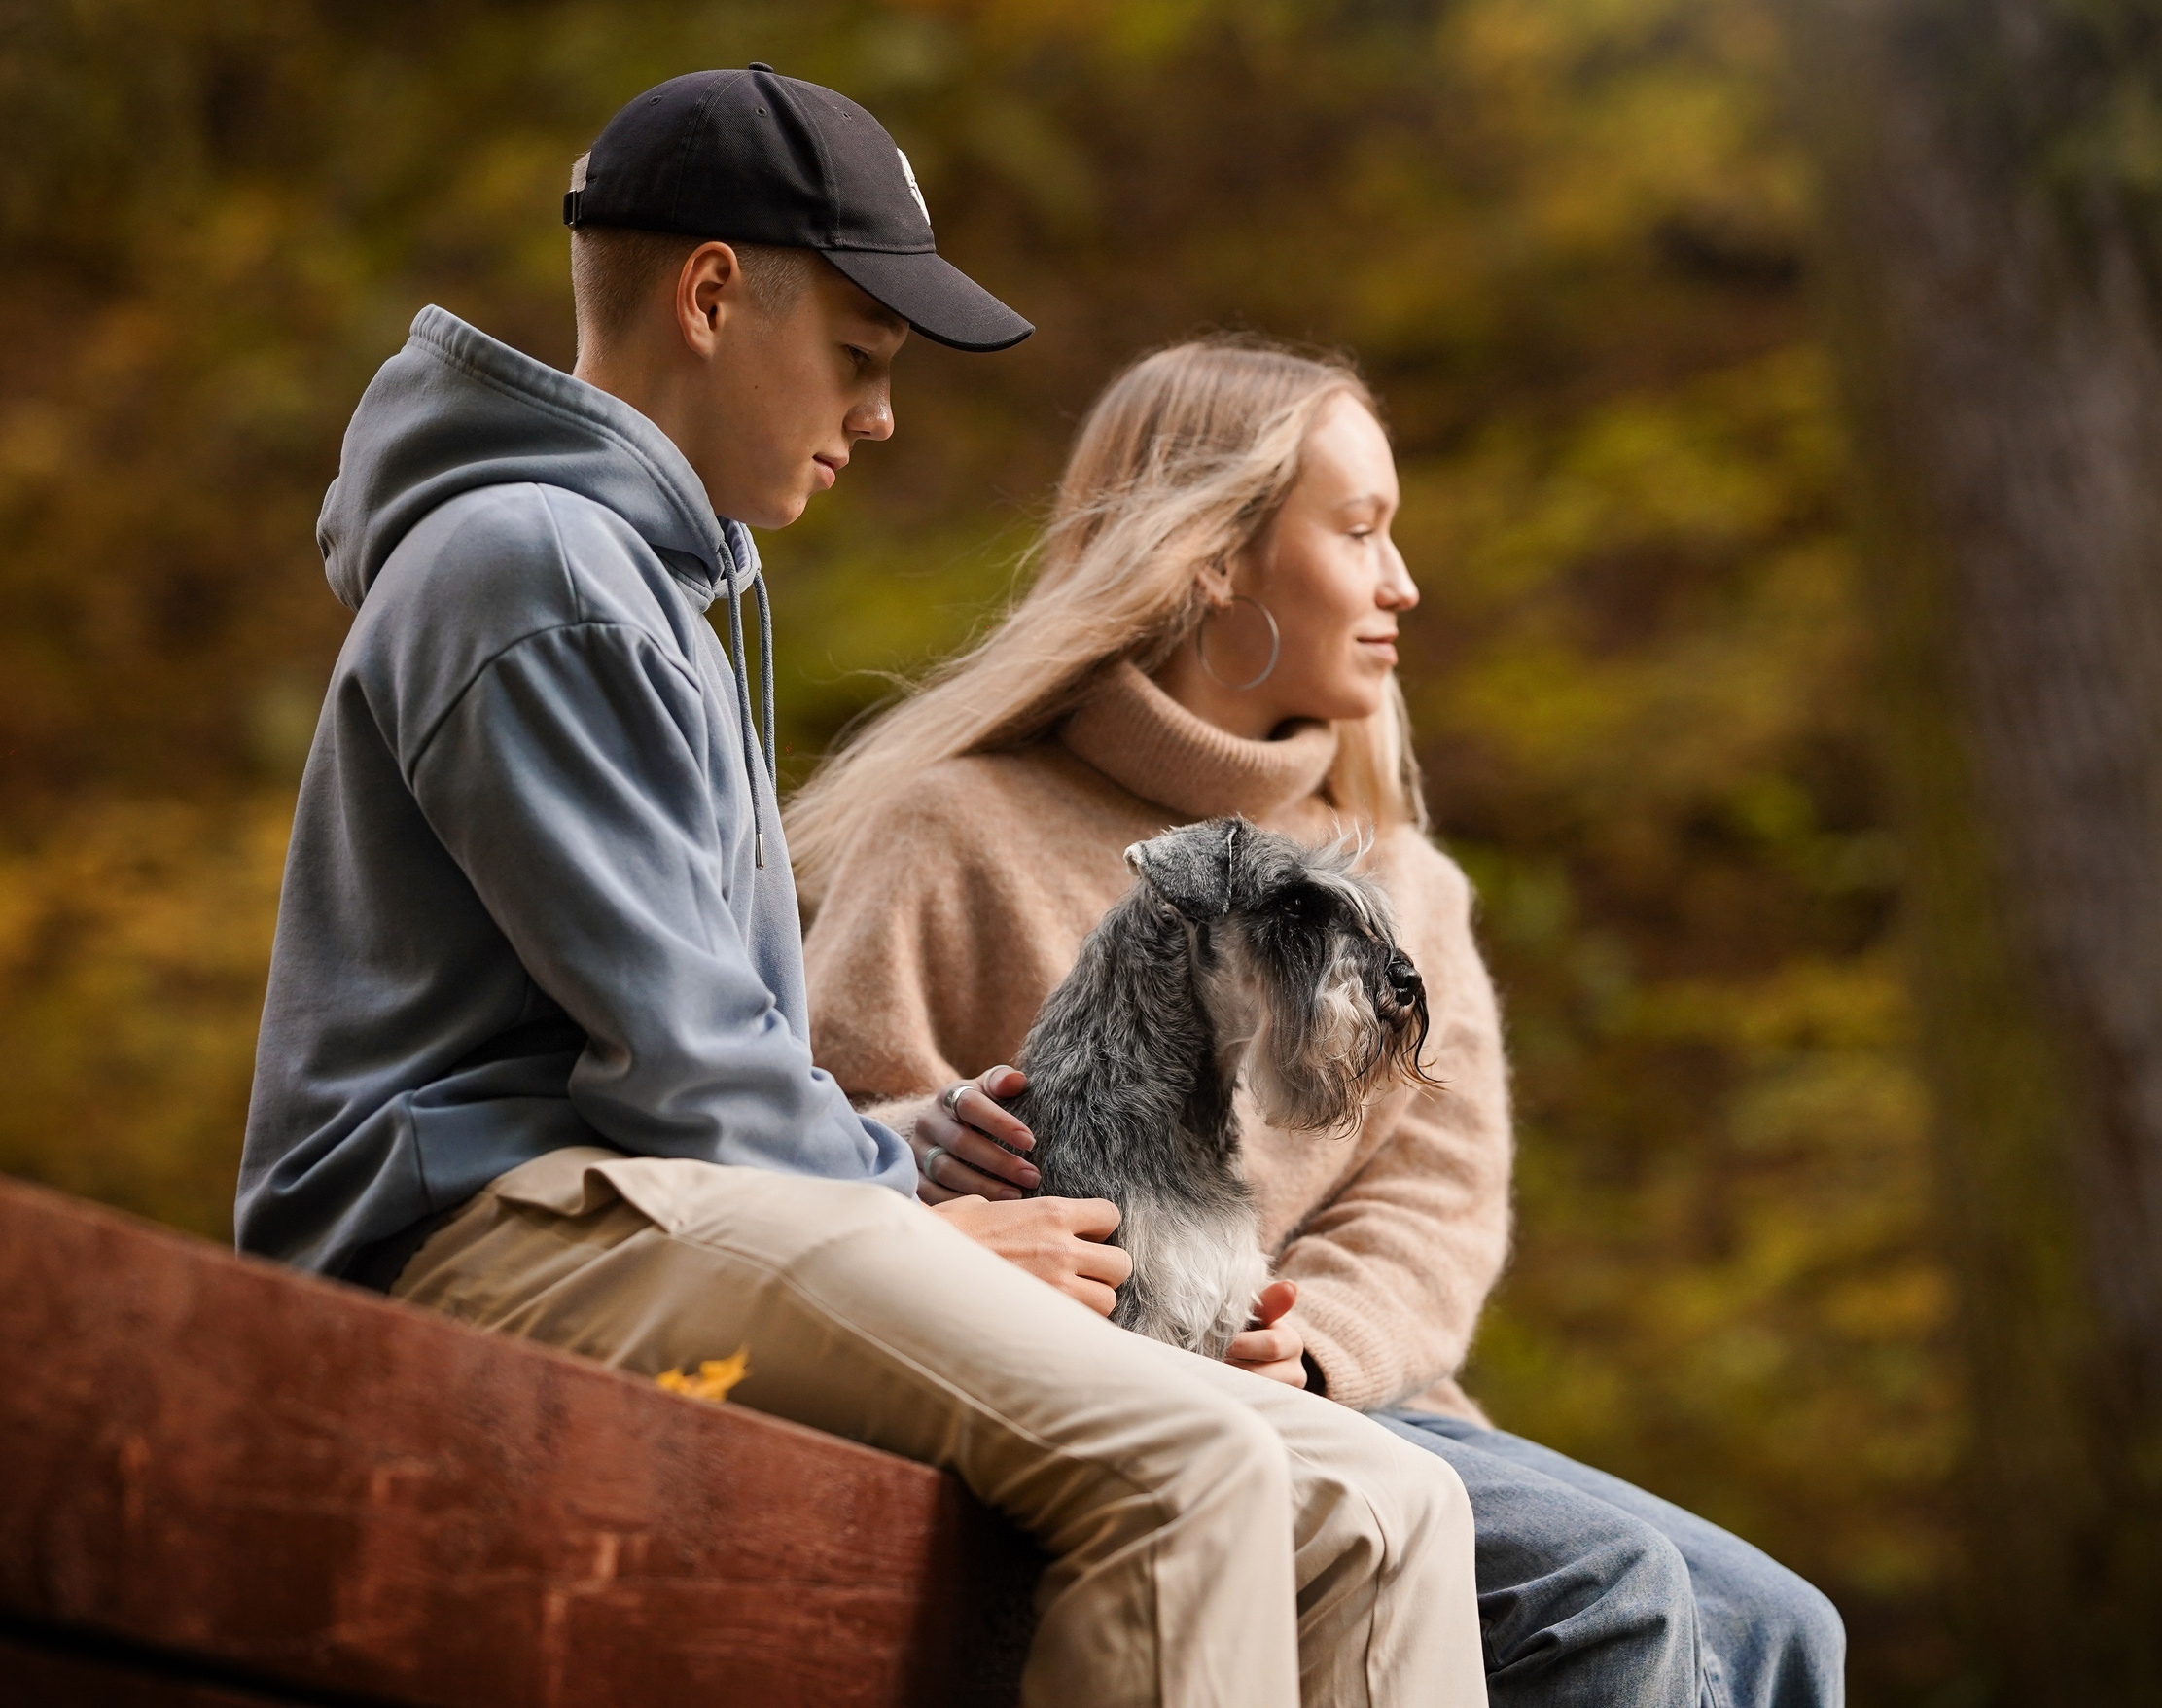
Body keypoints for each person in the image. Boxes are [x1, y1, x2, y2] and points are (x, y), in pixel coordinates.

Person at [235, 68, 1487, 1708]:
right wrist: (931, 1222)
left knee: (1386, 1504)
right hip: (482, 1236)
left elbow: (705, 1058)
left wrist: (909, 1143)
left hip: (660, 1207)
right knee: (1191, 1471)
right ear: (707, 296)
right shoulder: (532, 567)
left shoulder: (654, 594)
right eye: (859, 359)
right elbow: (684, 1070)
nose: (879, 418)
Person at [788, 338, 1849, 1708]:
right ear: (1215, 557)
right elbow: (813, 1127)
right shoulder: (958, 831)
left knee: (1782, 1628)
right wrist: (927, 1141)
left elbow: (1432, 1208)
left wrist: (1315, 1339)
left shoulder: (1405, 884)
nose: (1402, 583)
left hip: (1345, 1403)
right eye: (1358, 532)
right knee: (1611, 1597)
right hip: (1093, 1416)